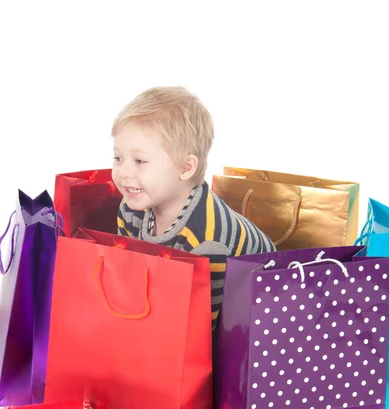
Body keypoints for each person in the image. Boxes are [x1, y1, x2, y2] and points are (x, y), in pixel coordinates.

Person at [113, 86, 276, 328]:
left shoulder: (206, 243)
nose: (124, 172)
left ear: (185, 168)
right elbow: (129, 279)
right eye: (118, 158)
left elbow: (204, 330)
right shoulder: (130, 210)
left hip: (255, 314)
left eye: (139, 161)